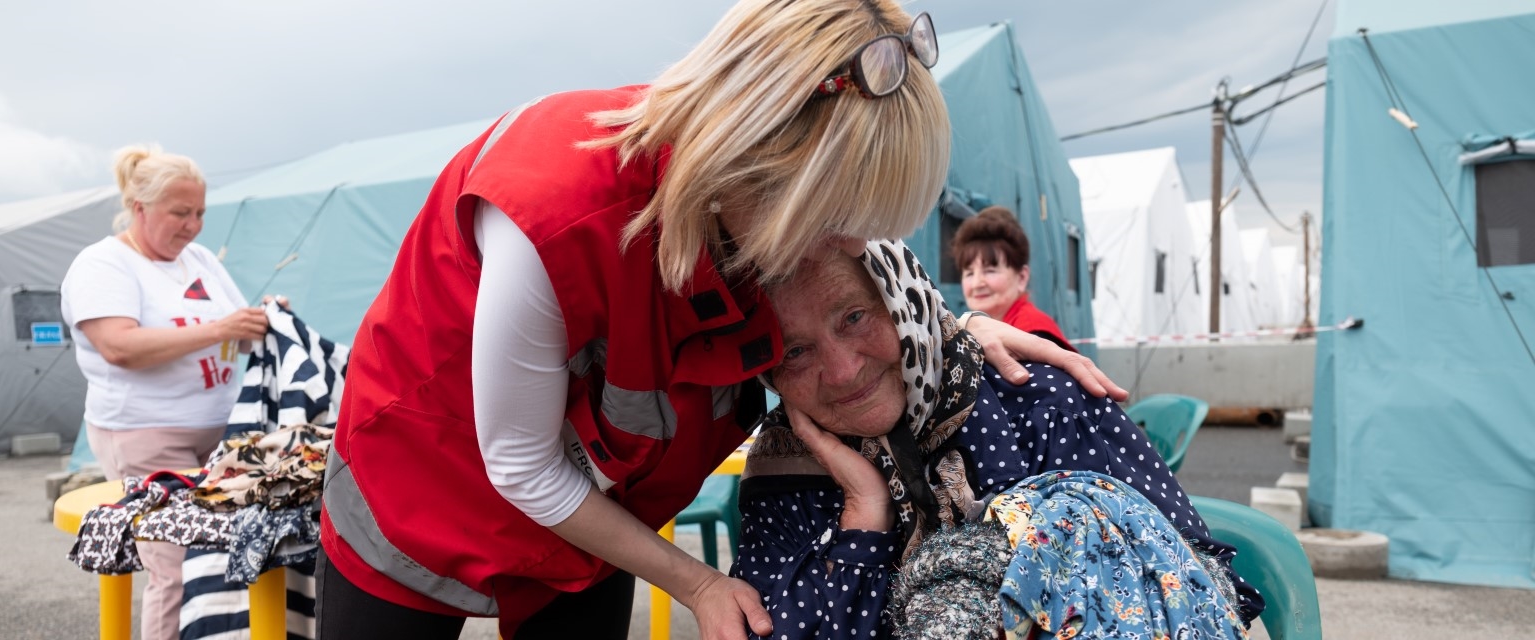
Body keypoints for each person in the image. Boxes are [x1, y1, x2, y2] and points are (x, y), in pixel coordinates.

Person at [315, 2, 1126, 639]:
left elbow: (861, 304)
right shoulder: (555, 211)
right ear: (758, 157)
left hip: (600, 520)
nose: (853, 248)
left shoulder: (772, 216)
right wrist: (696, 582)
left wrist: (955, 335)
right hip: (423, 490)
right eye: (841, 221)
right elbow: (522, 467)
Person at [733, 242, 1262, 638]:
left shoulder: (1040, 402)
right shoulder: (784, 471)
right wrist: (863, 518)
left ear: (902, 299)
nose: (843, 371)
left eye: (854, 317)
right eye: (795, 351)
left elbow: (1196, 589)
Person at [60, 145, 272, 640]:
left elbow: (238, 333)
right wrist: (219, 328)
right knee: (175, 570)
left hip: (219, 435)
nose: (193, 226)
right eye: (180, 213)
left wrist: (265, 320)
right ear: (140, 208)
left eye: (200, 213)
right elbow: (119, 347)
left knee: (229, 561)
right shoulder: (103, 264)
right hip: (145, 436)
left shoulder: (198, 260)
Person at [953, 205, 1076, 351]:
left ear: (1022, 277)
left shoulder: (1033, 334)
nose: (977, 283)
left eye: (990, 271)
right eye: (969, 273)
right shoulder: (977, 332)